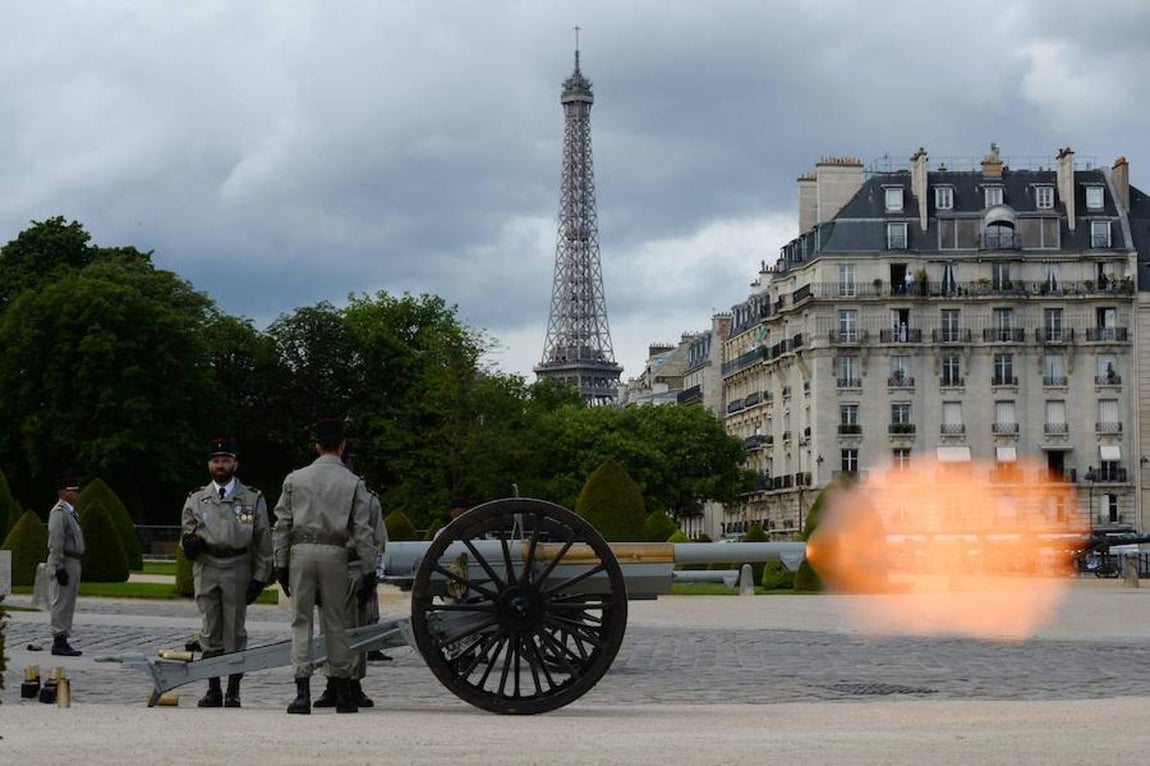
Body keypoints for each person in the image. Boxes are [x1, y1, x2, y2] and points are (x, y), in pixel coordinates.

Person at [273, 418, 377, 714]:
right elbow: (362, 531)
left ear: (317, 446)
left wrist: (280, 563)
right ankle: (343, 691)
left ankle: (302, 691)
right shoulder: (352, 482)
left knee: (301, 621)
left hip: (302, 551)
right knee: (337, 622)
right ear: (342, 446)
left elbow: (282, 525)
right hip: (335, 552)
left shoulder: (296, 478)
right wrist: (368, 568)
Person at [180, 437, 273, 708]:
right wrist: (189, 545)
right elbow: (186, 531)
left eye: (225, 460)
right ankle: (213, 688)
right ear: (209, 465)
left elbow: (262, 540)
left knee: (234, 630)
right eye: (216, 461)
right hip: (207, 565)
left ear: (235, 463)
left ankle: (233, 689)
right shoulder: (197, 499)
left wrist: (260, 577)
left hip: (237, 565)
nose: (220, 465)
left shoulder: (251, 498)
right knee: (209, 628)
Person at [312, 442, 389, 708]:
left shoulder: (367, 498)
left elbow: (378, 538)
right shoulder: (319, 494)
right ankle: (331, 682)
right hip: (330, 563)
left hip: (355, 566)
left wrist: (372, 574)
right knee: (328, 627)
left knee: (356, 629)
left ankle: (354, 683)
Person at [46, 473, 85, 657]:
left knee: (68, 602)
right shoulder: (59, 512)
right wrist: (59, 567)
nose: (76, 493)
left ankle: (64, 638)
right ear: (63, 492)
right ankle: (58, 639)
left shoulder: (70, 511)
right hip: (65, 561)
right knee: (61, 601)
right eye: (72, 490)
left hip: (73, 561)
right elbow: (56, 542)